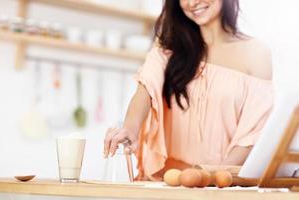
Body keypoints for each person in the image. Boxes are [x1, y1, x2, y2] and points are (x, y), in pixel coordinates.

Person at [103, 0, 274, 181]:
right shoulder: (168, 49)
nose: (192, 2)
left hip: (218, 187)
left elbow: (252, 132)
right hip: (162, 185)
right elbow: (145, 89)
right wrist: (130, 129)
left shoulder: (256, 53)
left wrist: (211, 178)